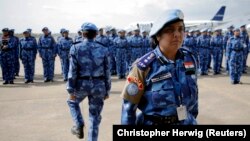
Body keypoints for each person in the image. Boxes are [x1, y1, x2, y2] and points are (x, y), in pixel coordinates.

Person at [120, 9, 199, 125]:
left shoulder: (189, 59)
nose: (177, 34)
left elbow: (194, 100)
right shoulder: (143, 67)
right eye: (170, 30)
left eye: (180, 29)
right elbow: (128, 110)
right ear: (158, 36)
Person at [66, 22, 111, 140]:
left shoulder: (75, 47)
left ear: (82, 34)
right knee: (94, 118)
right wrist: (107, 90)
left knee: (72, 102)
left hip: (82, 85)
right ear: (96, 34)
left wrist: (71, 89)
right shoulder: (103, 48)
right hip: (99, 85)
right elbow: (107, 71)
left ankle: (79, 124)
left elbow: (72, 72)